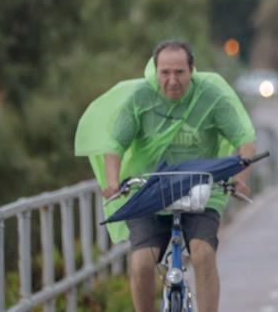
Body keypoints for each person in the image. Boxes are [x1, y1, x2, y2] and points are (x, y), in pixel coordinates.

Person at [75, 40, 256, 312]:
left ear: (192, 70)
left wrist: (242, 177)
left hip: (200, 193)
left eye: (180, 72)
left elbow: (244, 139)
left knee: (203, 253)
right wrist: (113, 182)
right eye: (165, 72)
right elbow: (115, 146)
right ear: (155, 71)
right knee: (141, 264)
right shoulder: (141, 99)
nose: (173, 80)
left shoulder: (211, 97)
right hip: (149, 194)